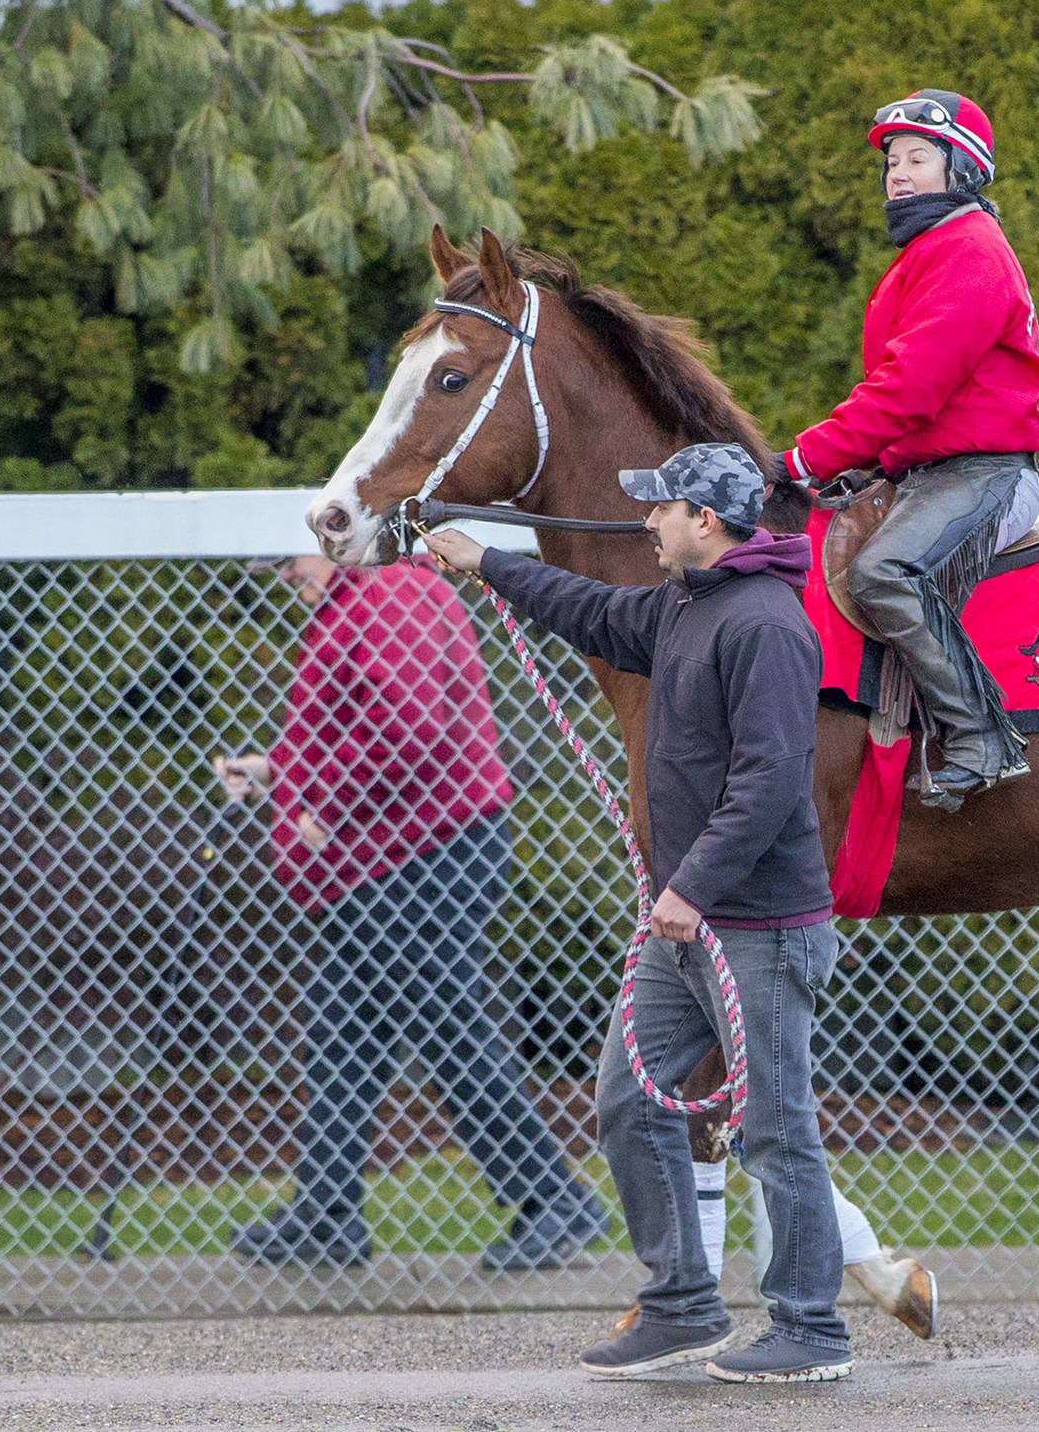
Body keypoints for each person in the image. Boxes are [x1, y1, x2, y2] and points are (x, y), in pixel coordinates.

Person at [425, 442, 853, 1384]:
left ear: (707, 521)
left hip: (758, 926)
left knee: (776, 1127)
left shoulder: (768, 625)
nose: (646, 521)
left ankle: (812, 1327)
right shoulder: (680, 606)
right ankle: (682, 1304)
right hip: (691, 926)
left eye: (662, 508)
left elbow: (773, 780)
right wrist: (486, 560)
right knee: (627, 1098)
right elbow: (597, 613)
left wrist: (688, 886)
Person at [218, 553, 608, 1272]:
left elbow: (407, 727)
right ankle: (327, 1212)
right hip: (399, 855)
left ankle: (557, 1200)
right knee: (342, 1026)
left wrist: (320, 805)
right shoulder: (362, 602)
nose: (281, 576)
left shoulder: (389, 594)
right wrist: (278, 769)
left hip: (428, 855)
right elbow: (354, 726)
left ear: (341, 538)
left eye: (284, 559)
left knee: (445, 1025)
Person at [780, 89, 1039, 811]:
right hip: (934, 472)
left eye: (917, 158)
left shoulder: (969, 251)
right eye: (890, 163)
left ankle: (980, 737)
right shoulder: (933, 251)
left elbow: (908, 391)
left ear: (961, 169)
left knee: (881, 569)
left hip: (984, 474)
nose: (897, 174)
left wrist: (802, 460)